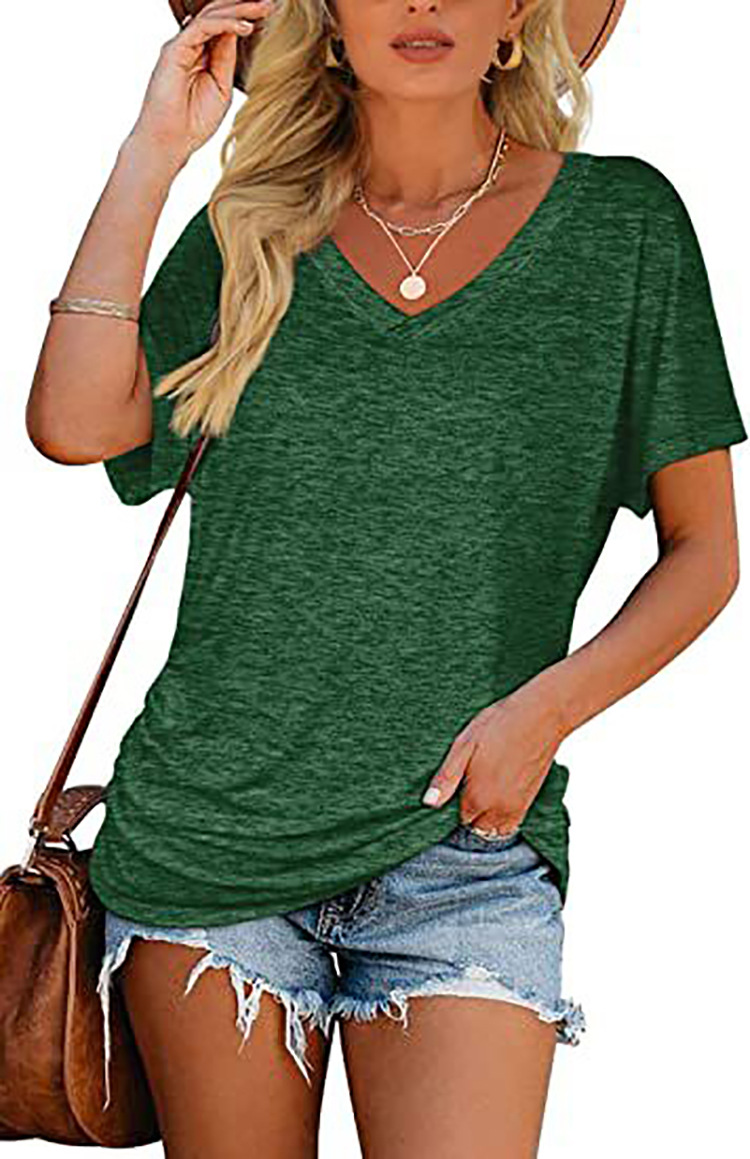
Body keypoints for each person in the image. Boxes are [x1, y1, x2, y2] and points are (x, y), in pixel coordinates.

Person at [25, 1, 747, 1156]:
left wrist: (543, 714)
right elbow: (71, 425)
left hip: (467, 847)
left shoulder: (623, 227)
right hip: (210, 842)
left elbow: (706, 549)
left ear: (516, 14)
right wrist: (154, 151)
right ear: (325, 18)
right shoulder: (249, 231)